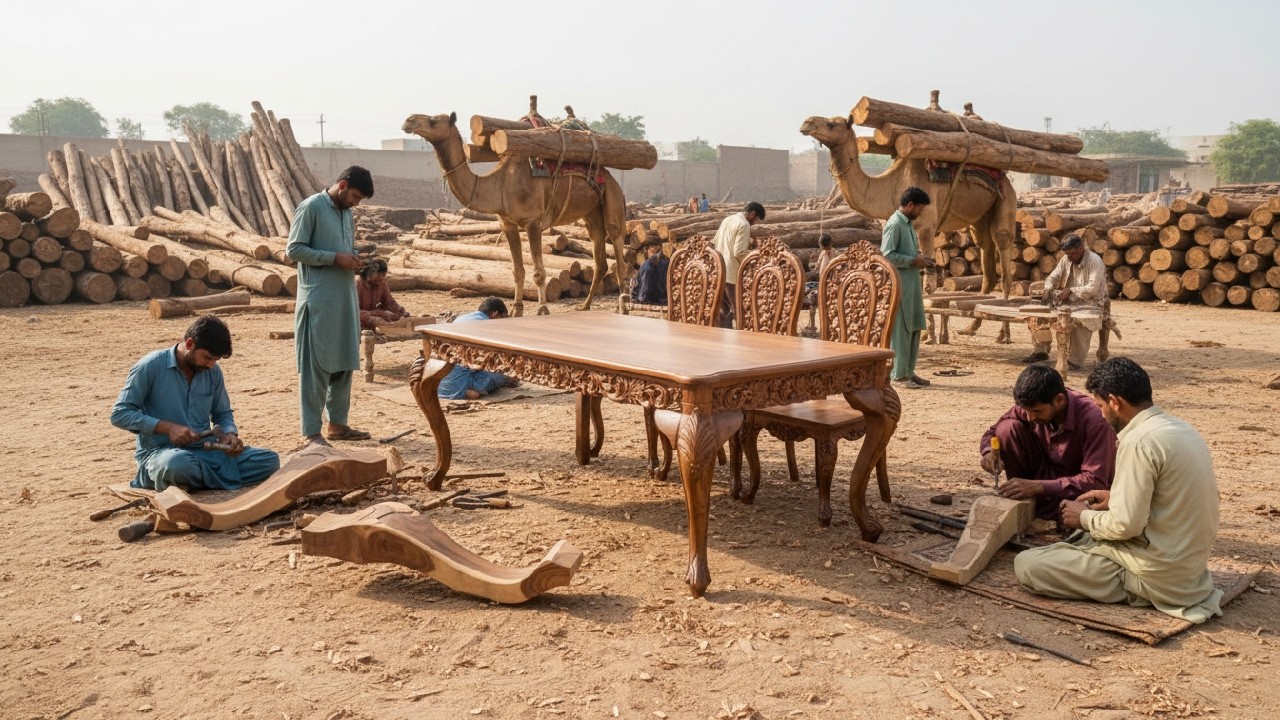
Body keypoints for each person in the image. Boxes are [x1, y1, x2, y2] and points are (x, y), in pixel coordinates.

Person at [1014, 357, 1223, 623]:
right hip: (1189, 570)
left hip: (1157, 575)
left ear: (1115, 402)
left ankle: (1137, 591)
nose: (1100, 413)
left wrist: (1084, 517)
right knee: (1078, 543)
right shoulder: (1180, 429)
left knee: (1028, 565)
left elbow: (1126, 526)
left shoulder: (1138, 441)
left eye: (1100, 405)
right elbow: (1169, 496)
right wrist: (1116, 498)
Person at [111, 317, 280, 492]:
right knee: (176, 465)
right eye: (207, 358)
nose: (211, 364)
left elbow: (222, 413)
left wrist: (229, 434)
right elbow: (120, 414)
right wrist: (168, 428)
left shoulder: (212, 371)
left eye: (216, 360)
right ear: (190, 344)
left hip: (207, 453)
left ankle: (188, 482)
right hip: (162, 453)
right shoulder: (150, 366)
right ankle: (195, 478)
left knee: (269, 460)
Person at [288, 165, 374, 445]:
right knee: (317, 367)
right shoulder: (310, 207)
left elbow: (344, 249)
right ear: (343, 184)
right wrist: (335, 258)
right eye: (355, 197)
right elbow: (295, 250)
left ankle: (338, 425)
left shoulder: (346, 213)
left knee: (344, 363)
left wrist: (355, 258)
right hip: (319, 301)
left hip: (344, 299)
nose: (356, 203)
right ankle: (311, 432)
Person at [980, 364, 1116, 520]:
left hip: (1076, 493)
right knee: (1007, 428)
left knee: (1077, 511)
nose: (1030, 418)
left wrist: (1038, 486)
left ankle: (1043, 510)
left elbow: (1094, 481)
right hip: (1041, 480)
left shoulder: (1094, 419)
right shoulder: (1031, 406)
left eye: (1037, 411)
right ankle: (1023, 501)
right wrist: (988, 452)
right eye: (1026, 411)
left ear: (1059, 400)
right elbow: (993, 432)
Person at [1025, 234, 1108, 368]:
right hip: (1068, 301)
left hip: (1091, 302)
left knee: (1082, 321)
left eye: (1072, 253)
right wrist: (1048, 288)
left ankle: (1074, 361)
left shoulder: (1095, 261)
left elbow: (1093, 288)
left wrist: (1071, 290)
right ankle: (1040, 351)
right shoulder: (1066, 259)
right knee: (1038, 313)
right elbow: (1053, 277)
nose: (1069, 257)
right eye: (1067, 253)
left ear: (1081, 248)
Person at [881, 187, 934, 388]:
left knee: (914, 328)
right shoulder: (894, 225)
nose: (920, 212)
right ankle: (899, 375)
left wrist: (922, 260)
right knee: (901, 332)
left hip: (912, 285)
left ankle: (909, 372)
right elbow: (887, 256)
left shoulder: (908, 224)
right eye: (919, 208)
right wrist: (913, 260)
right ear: (910, 205)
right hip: (901, 286)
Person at [438, 297, 521, 400]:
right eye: (502, 318)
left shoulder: (461, 319)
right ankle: (466, 391)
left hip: (440, 380)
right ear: (495, 314)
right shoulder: (487, 325)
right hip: (458, 382)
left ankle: (468, 389)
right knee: (501, 376)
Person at [712, 201, 766, 328]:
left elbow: (717, 240)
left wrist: (750, 241)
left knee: (723, 309)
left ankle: (725, 337)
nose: (755, 223)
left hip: (719, 269)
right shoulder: (744, 224)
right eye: (756, 219)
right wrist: (755, 257)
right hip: (731, 273)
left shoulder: (728, 219)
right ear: (752, 214)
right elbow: (739, 253)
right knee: (738, 309)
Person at [356, 258, 409, 331]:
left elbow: (390, 302)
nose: (381, 278)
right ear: (370, 273)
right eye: (378, 275)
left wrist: (401, 312)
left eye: (383, 275)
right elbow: (352, 312)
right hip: (358, 320)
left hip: (375, 317)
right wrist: (374, 314)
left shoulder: (381, 283)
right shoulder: (357, 284)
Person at [805, 233, 837, 331]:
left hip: (825, 285)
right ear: (831, 242)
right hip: (833, 284)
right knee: (810, 287)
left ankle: (812, 325)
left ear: (820, 245)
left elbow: (817, 266)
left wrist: (812, 266)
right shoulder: (836, 253)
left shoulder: (823, 253)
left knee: (809, 290)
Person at [630, 240, 669, 305]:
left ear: (648, 251)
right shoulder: (667, 263)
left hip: (647, 299)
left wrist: (639, 298)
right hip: (664, 299)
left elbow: (643, 291)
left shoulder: (645, 266)